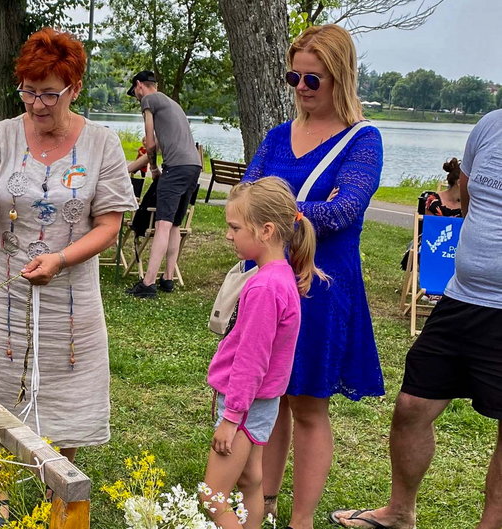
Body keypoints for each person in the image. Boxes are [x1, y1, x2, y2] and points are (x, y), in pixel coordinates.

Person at [0, 28, 136, 462]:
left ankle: (58, 496)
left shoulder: (102, 144)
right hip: (0, 294)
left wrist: (61, 259)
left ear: (74, 89)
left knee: (68, 392)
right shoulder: (2, 136)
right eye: (28, 92)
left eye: (48, 94)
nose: (36, 104)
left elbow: (109, 224)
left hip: (71, 301)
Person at [241, 24, 385, 529]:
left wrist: (274, 211)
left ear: (339, 77)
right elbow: (245, 196)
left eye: (313, 79)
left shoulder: (363, 140)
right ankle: (267, 501)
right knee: (268, 396)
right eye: (293, 77)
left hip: (322, 288)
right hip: (268, 283)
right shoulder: (279, 135)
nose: (301, 87)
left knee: (307, 405)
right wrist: (299, 211)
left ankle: (302, 520)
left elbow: (344, 209)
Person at [330, 109, 502, 529]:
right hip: (461, 298)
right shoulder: (491, 125)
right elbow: (467, 191)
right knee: (411, 406)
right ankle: (399, 513)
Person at [202, 177, 325, 529]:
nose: (229, 235)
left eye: (235, 227)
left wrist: (231, 417)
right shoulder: (279, 275)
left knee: (212, 497)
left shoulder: (264, 287)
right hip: (262, 403)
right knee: (250, 482)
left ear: (266, 230)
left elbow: (252, 360)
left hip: (244, 403)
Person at [125, 70, 202, 298]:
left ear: (140, 85)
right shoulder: (172, 105)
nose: (138, 99)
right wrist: (125, 170)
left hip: (176, 168)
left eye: (135, 94)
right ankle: (167, 279)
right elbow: (158, 143)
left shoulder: (149, 100)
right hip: (193, 167)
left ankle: (148, 283)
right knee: (175, 225)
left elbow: (149, 142)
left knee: (162, 225)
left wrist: (155, 168)